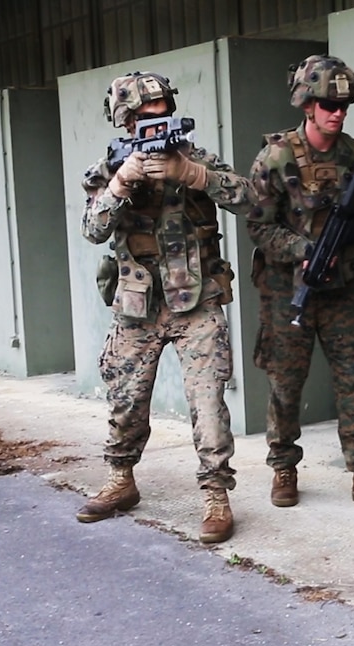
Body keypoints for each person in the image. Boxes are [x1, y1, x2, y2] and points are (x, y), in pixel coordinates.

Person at [77, 71, 256, 544]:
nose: (157, 129)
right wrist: (121, 183)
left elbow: (249, 197)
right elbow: (92, 230)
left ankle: (216, 495)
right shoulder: (110, 166)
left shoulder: (193, 157)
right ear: (125, 122)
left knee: (209, 404)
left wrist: (195, 176)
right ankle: (121, 478)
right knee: (126, 400)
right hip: (137, 303)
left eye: (163, 118)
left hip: (196, 300)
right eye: (144, 121)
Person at [246, 54, 354, 512]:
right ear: (307, 105)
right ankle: (283, 466)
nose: (337, 114)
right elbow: (258, 226)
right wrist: (304, 249)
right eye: (327, 105)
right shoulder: (275, 157)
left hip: (344, 290)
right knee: (285, 381)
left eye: (343, 106)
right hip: (286, 290)